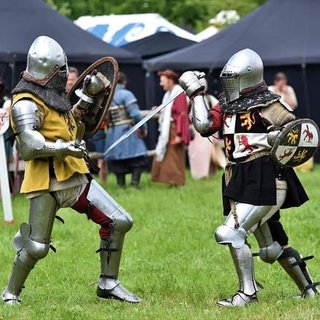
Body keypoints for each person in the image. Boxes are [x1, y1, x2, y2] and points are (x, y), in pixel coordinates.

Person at [2, 36, 141, 305]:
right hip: (46, 184)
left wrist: (88, 98)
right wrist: (65, 148)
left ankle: (108, 283)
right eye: (62, 71)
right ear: (52, 71)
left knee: (119, 221)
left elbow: (73, 126)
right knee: (36, 247)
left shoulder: (54, 96)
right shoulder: (25, 101)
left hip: (75, 177)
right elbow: (29, 145)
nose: (65, 75)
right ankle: (10, 293)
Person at [179, 48, 318, 307]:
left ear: (248, 76)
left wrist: (277, 136)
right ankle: (309, 290)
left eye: (234, 78)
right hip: (240, 177)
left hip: (266, 177)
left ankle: (247, 294)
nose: (229, 83)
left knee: (230, 232)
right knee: (272, 246)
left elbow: (297, 137)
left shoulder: (271, 105)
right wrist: (196, 93)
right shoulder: (226, 106)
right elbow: (204, 126)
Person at [104, 72, 148, 188]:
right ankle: (134, 185)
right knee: (137, 159)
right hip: (127, 131)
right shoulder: (126, 94)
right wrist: (143, 127)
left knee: (118, 162)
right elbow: (135, 114)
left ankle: (121, 185)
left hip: (113, 133)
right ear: (124, 82)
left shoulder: (106, 96)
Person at [151, 69, 190, 186]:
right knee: (168, 156)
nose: (161, 84)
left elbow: (181, 114)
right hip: (169, 129)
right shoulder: (168, 95)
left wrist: (179, 134)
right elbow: (169, 111)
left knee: (175, 156)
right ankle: (171, 182)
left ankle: (177, 182)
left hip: (174, 129)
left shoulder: (179, 94)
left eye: (163, 81)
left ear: (170, 81)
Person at [188, 75, 226, 179]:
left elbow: (215, 119)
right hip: (194, 133)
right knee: (195, 154)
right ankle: (197, 176)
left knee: (206, 153)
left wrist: (215, 136)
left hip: (208, 132)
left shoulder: (210, 99)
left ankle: (207, 175)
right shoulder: (191, 101)